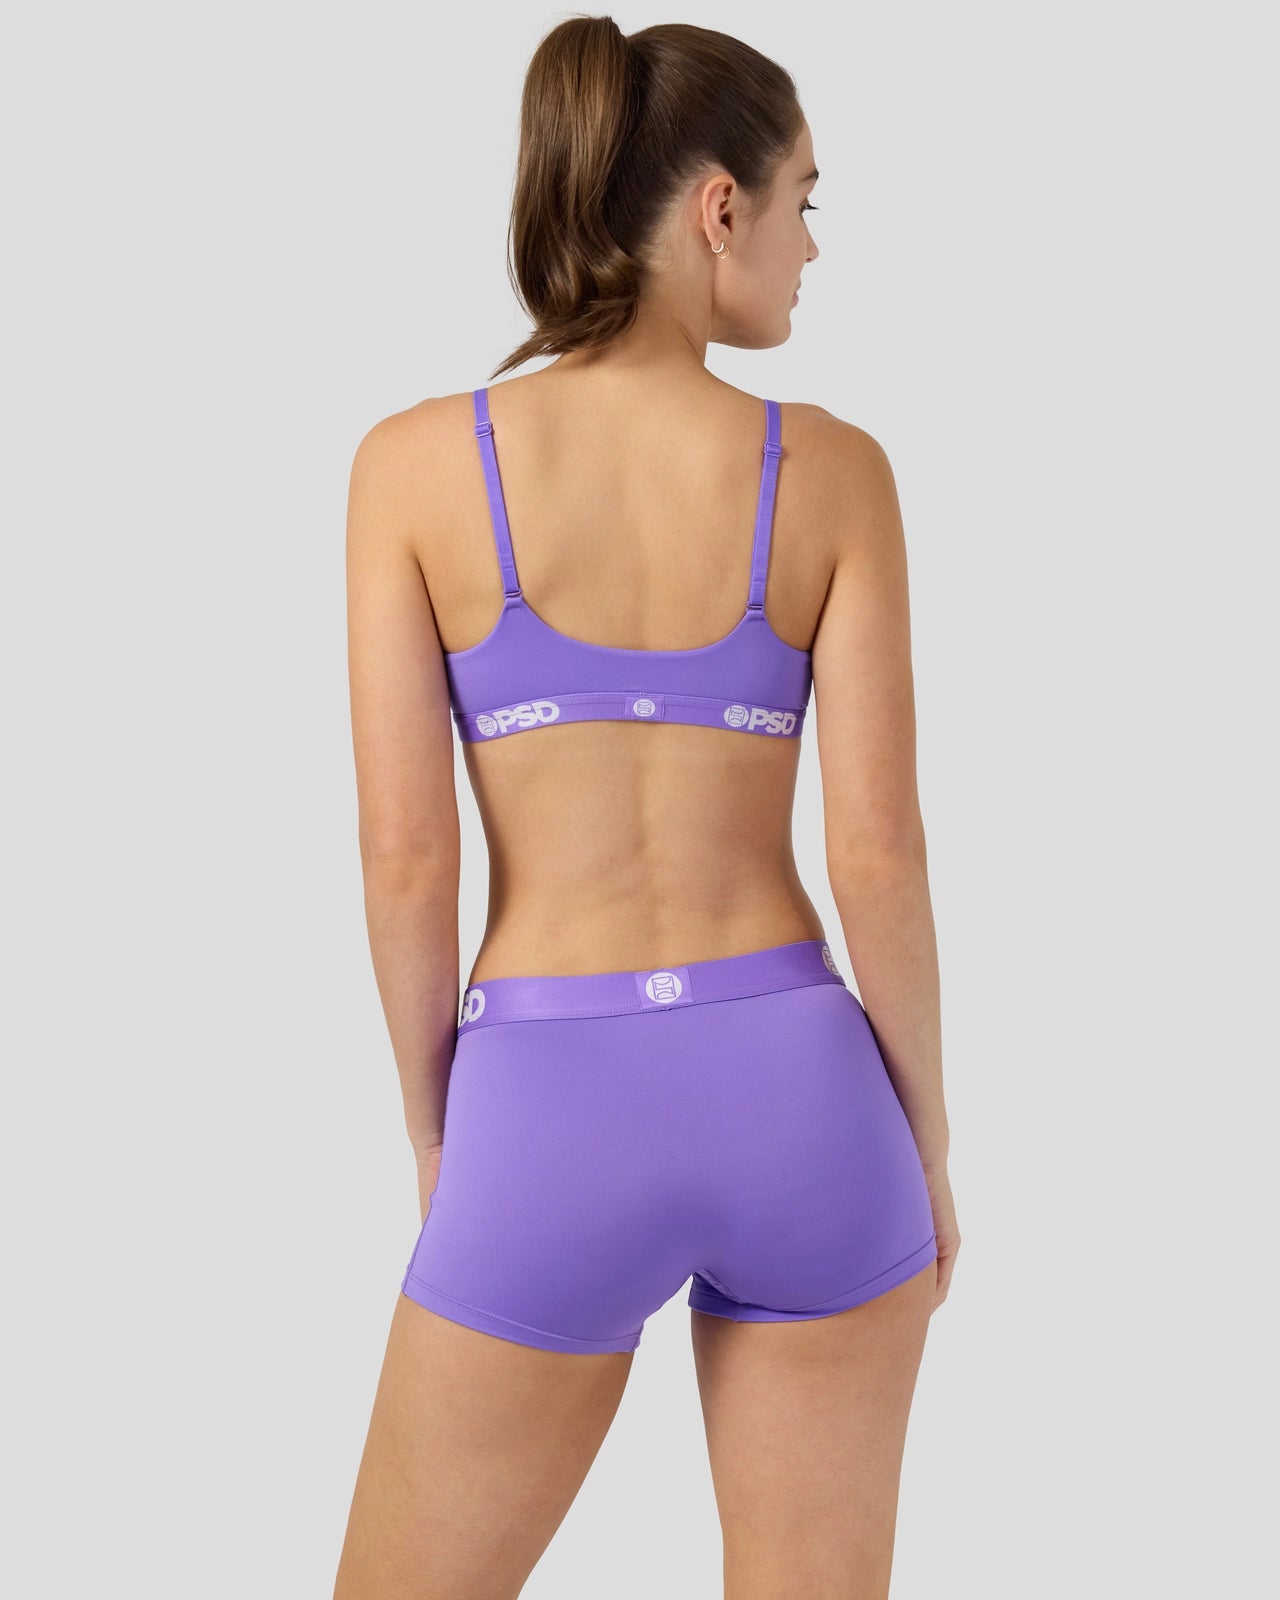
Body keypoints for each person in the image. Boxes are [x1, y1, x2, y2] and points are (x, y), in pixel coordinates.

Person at [333, 16, 959, 1600]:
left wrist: (437, 1134)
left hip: (549, 1103)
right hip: (805, 1096)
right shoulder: (835, 473)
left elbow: (407, 856)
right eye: (805, 200)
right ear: (717, 210)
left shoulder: (413, 469)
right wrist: (928, 1149)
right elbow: (877, 850)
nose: (814, 247)